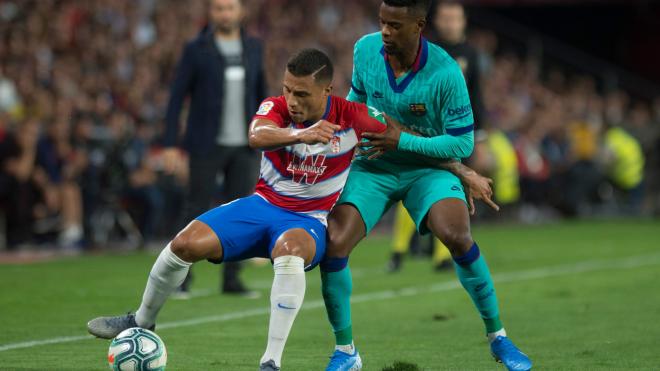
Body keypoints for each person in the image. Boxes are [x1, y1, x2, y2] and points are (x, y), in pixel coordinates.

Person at [87, 48, 392, 370]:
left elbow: (397, 135)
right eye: (288, 89)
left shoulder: (354, 117)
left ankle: (270, 362)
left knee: (289, 251)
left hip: (308, 219)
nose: (292, 100)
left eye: (302, 94)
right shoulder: (275, 107)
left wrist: (444, 156)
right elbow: (256, 135)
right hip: (261, 206)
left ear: (327, 91)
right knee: (183, 244)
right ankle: (141, 321)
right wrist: (300, 134)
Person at [319, 1, 532, 370]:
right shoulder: (365, 49)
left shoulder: (446, 72)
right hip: (374, 165)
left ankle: (498, 337)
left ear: (419, 25)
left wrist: (402, 141)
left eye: (395, 25)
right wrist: (341, 128)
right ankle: (345, 351)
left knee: (457, 235)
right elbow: (356, 100)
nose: (385, 31)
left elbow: (462, 144)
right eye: (382, 22)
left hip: (426, 170)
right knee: (335, 243)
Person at [161, 0, 267, 296]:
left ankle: (231, 280)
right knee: (195, 209)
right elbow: (176, 97)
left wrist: (270, 136)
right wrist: (170, 144)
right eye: (219, 8)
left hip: (244, 145)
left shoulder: (254, 47)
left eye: (230, 8)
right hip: (206, 143)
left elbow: (263, 97)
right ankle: (180, 280)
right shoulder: (196, 49)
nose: (225, 14)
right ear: (211, 13)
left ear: (241, 12)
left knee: (240, 213)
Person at [387, 0, 489, 274]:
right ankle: (398, 250)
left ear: (463, 21)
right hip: (424, 130)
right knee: (411, 184)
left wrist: (480, 137)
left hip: (455, 133)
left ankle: (441, 257)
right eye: (445, 17)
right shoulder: (424, 48)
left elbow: (477, 97)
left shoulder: (471, 54)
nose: (450, 22)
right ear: (437, 21)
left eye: (455, 17)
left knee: (449, 188)